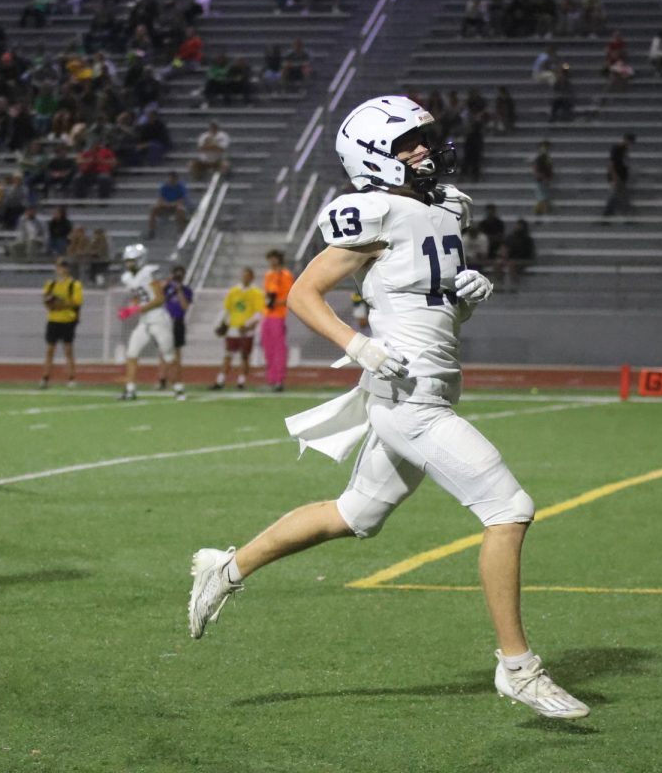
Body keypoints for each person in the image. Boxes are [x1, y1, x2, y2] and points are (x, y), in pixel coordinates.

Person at [187, 95, 589, 721]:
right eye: (406, 144)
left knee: (354, 514)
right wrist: (356, 344)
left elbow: (431, 312)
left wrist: (467, 300)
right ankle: (518, 668)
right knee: (509, 509)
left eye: (422, 138)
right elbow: (304, 292)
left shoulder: (442, 211)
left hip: (425, 388)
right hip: (410, 402)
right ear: (374, 157)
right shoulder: (371, 212)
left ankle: (226, 568)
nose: (422, 150)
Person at [117, 243, 176, 401]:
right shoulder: (128, 278)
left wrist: (138, 308)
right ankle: (130, 389)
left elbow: (160, 298)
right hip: (145, 321)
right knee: (131, 353)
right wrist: (130, 308)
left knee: (168, 356)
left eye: (132, 260)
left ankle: (178, 387)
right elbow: (137, 297)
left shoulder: (149, 273)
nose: (129, 264)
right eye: (128, 261)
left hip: (158, 318)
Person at [212, 266, 264, 390]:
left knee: (245, 355)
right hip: (233, 328)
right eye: (243, 275)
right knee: (228, 354)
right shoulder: (234, 291)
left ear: (252, 277)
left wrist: (248, 326)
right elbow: (227, 309)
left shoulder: (256, 293)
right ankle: (220, 380)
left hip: (247, 330)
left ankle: (241, 381)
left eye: (247, 275)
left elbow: (258, 312)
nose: (245, 278)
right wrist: (221, 323)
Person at [41, 258, 83, 389]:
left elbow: (76, 302)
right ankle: (45, 377)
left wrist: (60, 302)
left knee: (68, 350)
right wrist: (54, 303)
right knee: (49, 350)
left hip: (68, 320)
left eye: (64, 267)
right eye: (59, 267)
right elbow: (46, 301)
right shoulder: (50, 284)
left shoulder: (74, 284)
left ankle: (71, 378)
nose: (62, 270)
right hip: (53, 320)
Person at [261, 249, 294, 391]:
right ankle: (271, 379)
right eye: (270, 258)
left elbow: (289, 296)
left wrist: (276, 303)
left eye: (274, 258)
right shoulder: (268, 275)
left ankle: (279, 379)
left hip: (279, 316)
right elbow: (268, 294)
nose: (272, 261)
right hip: (267, 314)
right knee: (267, 347)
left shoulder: (285, 275)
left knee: (279, 348)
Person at [157, 266, 192, 399]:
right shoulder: (167, 287)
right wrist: (168, 282)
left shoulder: (186, 290)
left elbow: (185, 307)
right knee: (162, 351)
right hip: (165, 321)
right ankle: (162, 379)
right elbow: (157, 294)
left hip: (178, 322)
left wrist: (179, 291)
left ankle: (177, 380)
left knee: (176, 354)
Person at [147, 172, 189, 239]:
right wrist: (166, 204)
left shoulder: (181, 187)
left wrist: (173, 204)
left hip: (176, 206)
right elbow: (160, 199)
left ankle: (181, 231)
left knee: (180, 210)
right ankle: (151, 231)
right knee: (154, 209)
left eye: (172, 180)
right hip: (166, 206)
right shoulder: (164, 187)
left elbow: (182, 200)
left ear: (176, 179)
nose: (171, 181)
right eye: (169, 179)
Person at [603, 133, 635, 217]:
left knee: (621, 195)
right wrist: (614, 177)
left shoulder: (624, 149)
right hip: (616, 176)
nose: (629, 144)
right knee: (615, 195)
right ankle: (607, 214)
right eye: (629, 141)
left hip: (621, 176)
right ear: (625, 139)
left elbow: (624, 162)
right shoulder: (616, 148)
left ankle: (609, 214)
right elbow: (611, 164)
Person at [531, 140, 554, 215]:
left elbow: (549, 168)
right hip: (541, 181)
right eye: (544, 147)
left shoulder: (547, 158)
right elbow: (536, 170)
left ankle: (540, 211)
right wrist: (543, 177)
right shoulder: (539, 158)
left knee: (543, 198)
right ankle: (539, 212)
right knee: (542, 198)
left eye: (547, 147)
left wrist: (548, 177)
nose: (546, 149)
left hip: (544, 181)